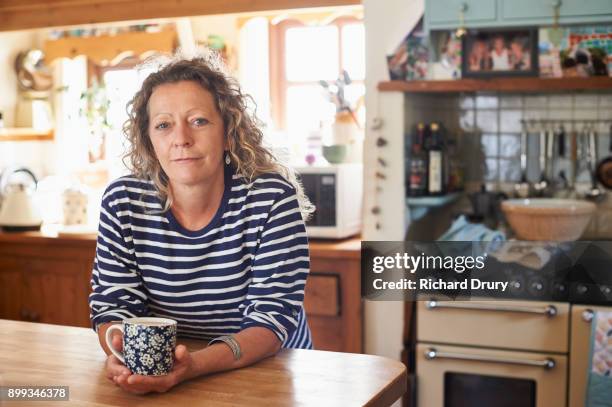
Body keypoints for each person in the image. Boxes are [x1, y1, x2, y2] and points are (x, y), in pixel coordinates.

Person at [89, 51, 314, 395]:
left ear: (228, 133)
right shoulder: (123, 202)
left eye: (198, 121)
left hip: (268, 372)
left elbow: (270, 320)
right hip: (170, 374)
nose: (181, 138)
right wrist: (121, 353)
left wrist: (193, 365)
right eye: (163, 125)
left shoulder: (271, 199)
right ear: (149, 141)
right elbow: (114, 304)